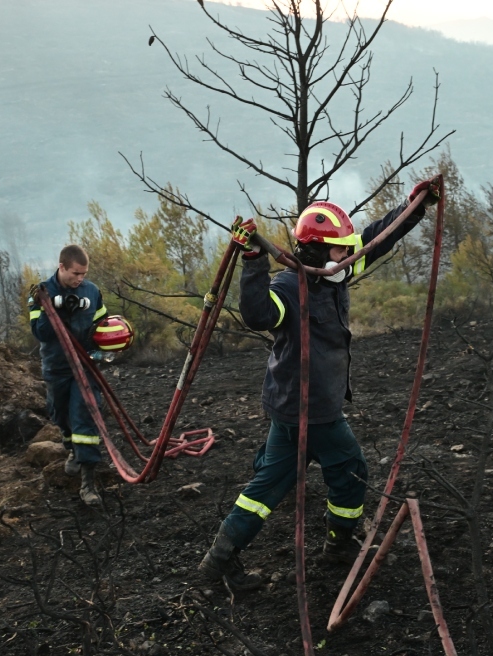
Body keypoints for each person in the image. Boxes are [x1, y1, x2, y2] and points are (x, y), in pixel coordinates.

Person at [198, 179, 442, 591]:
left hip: (307, 408)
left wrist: (414, 206)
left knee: (274, 484)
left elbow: (376, 241)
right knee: (346, 471)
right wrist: (254, 261)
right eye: (338, 249)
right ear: (313, 251)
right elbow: (258, 316)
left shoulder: (336, 275)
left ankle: (219, 562)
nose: (347, 256)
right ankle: (336, 546)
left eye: (347, 250)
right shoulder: (288, 288)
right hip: (305, 411)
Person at [29, 244, 109, 506]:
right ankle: (72, 450)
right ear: (61, 266)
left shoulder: (92, 291)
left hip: (85, 368)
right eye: (76, 274)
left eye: (84, 274)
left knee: (84, 415)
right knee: (60, 414)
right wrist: (57, 308)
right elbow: (40, 333)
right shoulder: (40, 293)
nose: (80, 279)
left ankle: (88, 484)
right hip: (57, 367)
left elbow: (102, 325)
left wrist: (105, 348)